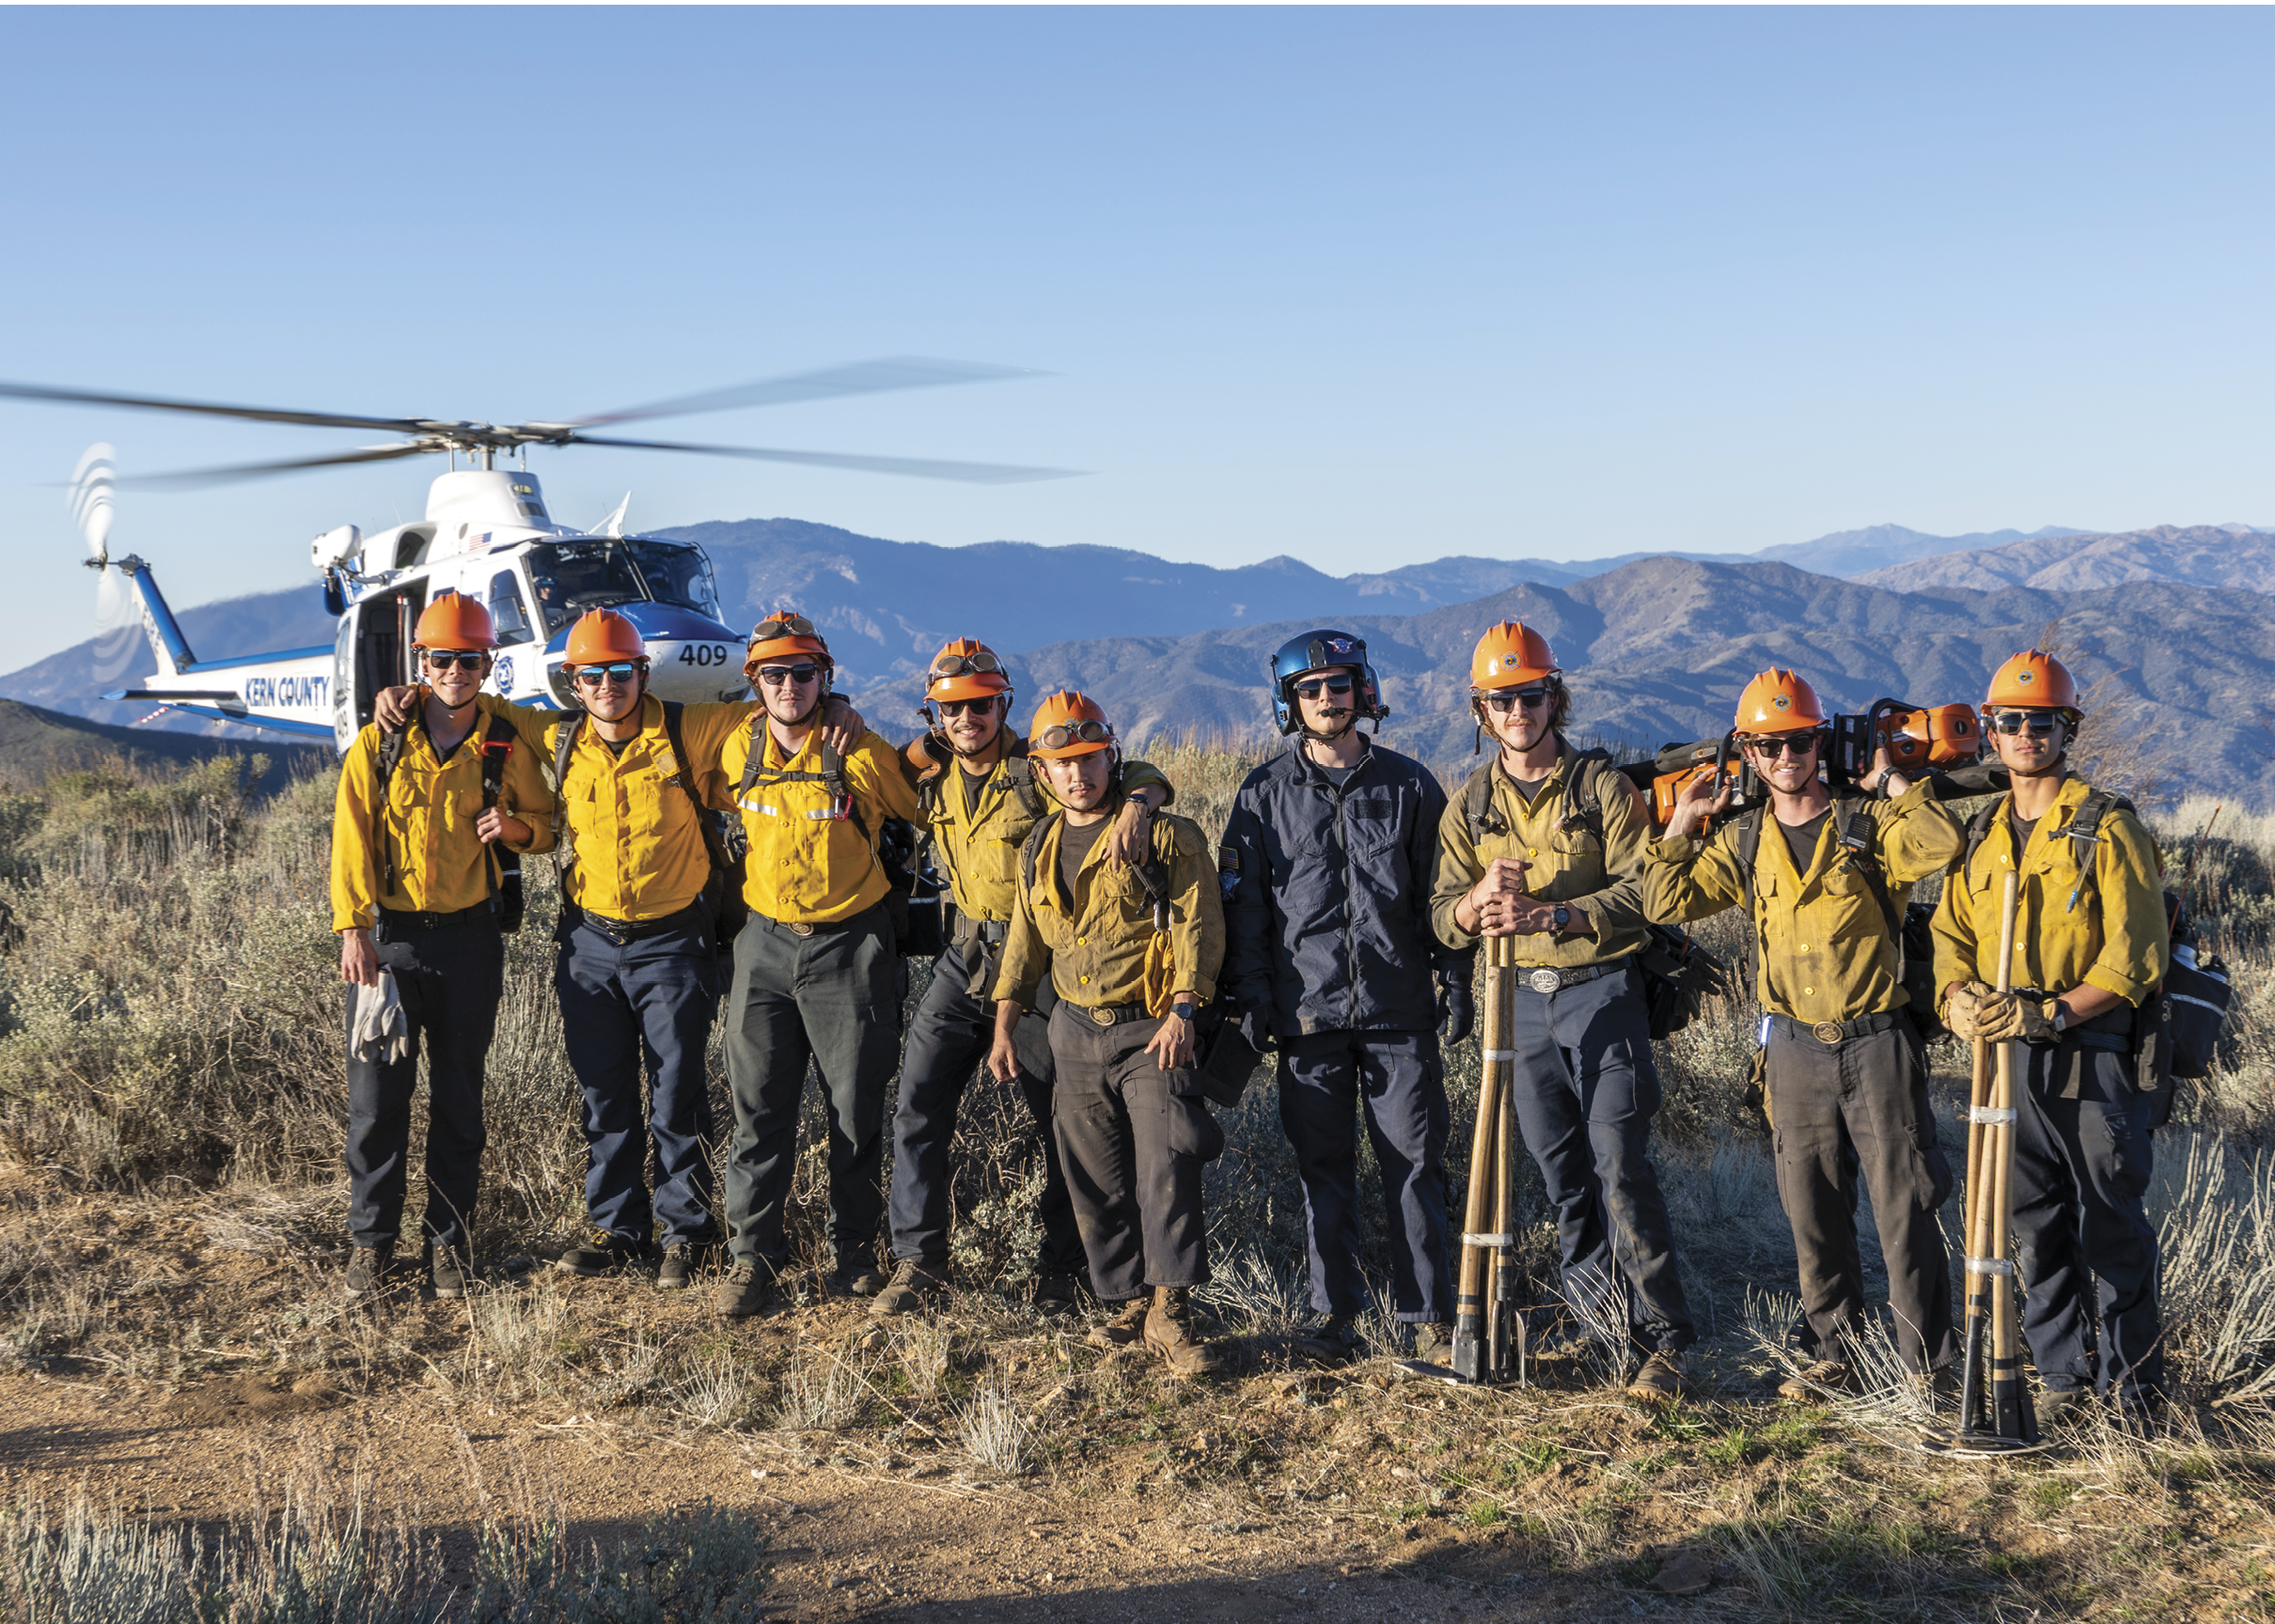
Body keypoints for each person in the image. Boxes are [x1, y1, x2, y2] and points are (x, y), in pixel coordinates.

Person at [370, 608, 862, 1293]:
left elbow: (779, 705)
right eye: (592, 675)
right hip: (589, 943)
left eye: (621, 672)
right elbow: (473, 698)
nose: (607, 686)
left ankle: (685, 1233)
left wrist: (836, 700)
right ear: (573, 682)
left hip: (672, 942)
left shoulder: (689, 728)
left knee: (676, 1093)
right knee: (602, 1093)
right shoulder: (554, 734)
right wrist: (407, 694)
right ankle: (619, 1228)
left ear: (641, 674)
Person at [1648, 668, 1963, 1402]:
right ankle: (1834, 1353)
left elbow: (1941, 844)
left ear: (1818, 743)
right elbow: (1665, 899)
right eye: (1768, 746)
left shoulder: (1868, 825)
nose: (1786, 757)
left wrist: (1891, 783)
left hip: (1878, 1040)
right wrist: (1683, 821)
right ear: (1750, 755)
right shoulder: (1745, 837)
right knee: (1811, 1211)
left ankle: (1930, 1368)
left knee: (1904, 1208)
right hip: (1790, 1049)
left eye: (1798, 742)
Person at [1429, 621, 1697, 1401]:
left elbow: (1642, 895)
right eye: (1503, 700)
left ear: (1555, 698)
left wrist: (1553, 916)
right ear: (1483, 711)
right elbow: (1441, 914)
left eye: (1532, 695)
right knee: (1561, 1174)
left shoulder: (1601, 790)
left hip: (1601, 992)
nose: (1519, 712)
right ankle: (1598, 1324)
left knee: (1618, 1162)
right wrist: (1475, 905)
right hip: (1515, 1004)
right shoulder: (1468, 805)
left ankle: (1664, 1336)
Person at [871, 640, 1174, 1320]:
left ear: (1002, 703)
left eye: (980, 704)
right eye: (951, 709)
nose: (968, 719)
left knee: (1065, 1124)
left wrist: (1142, 803)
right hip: (966, 955)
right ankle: (921, 1263)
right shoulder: (935, 778)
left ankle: (1062, 1274)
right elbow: (881, 768)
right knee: (917, 1102)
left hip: (1040, 965)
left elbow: (1129, 772)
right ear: (936, 716)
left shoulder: (1037, 765)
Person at [1932, 649, 2171, 1422]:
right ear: (1991, 734)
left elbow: (2134, 958)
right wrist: (1957, 998)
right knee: (2034, 1225)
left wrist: (2056, 1012)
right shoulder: (1981, 836)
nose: (2026, 733)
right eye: (2011, 722)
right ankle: (2064, 1380)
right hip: (2007, 1062)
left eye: (2043, 722)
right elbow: (1951, 937)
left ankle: (2132, 1394)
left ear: (2067, 730)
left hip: (2090, 1058)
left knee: (2109, 1222)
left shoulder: (2107, 826)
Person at [1221, 629, 1467, 1363]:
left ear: (1364, 691)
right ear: (1289, 703)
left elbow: (1441, 895)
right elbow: (1248, 915)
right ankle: (1336, 1318)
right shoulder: (1261, 795)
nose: (1327, 699)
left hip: (1400, 1014)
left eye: (1340, 685)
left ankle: (1428, 1312)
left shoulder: (1411, 783)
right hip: (1308, 1018)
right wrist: (1256, 1003)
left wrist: (1453, 980)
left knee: (1417, 1164)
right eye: (1311, 689)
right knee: (1322, 1170)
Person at [988, 692, 1230, 1379]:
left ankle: (1171, 1309)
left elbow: (1197, 925)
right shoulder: (1037, 843)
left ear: (1111, 756)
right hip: (1072, 1027)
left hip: (1150, 1026)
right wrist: (1006, 1023)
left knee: (1167, 1165)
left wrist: (1186, 1008)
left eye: (1090, 759)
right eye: (1062, 763)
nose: (1077, 775)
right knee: (1094, 1176)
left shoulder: (1164, 833)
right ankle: (1126, 1305)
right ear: (1040, 771)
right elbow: (1024, 941)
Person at [331, 593, 553, 1298]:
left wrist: (515, 831)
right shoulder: (381, 740)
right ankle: (372, 1247)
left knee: (459, 1102)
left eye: (469, 659)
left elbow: (546, 823)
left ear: (488, 665)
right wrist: (352, 928)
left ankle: (448, 1246)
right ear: (421, 663)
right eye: (442, 659)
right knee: (375, 1104)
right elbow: (351, 834)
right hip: (389, 947)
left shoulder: (504, 739)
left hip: (469, 943)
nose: (455, 670)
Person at [711, 612, 925, 1318]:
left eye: (805, 673)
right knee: (758, 1113)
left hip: (848, 948)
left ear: (827, 678)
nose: (790, 686)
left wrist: (1135, 785)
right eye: (775, 673)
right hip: (763, 946)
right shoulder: (734, 744)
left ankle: (853, 1256)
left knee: (855, 1112)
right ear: (755, 683)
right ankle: (752, 1261)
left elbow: (934, 800)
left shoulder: (858, 752)